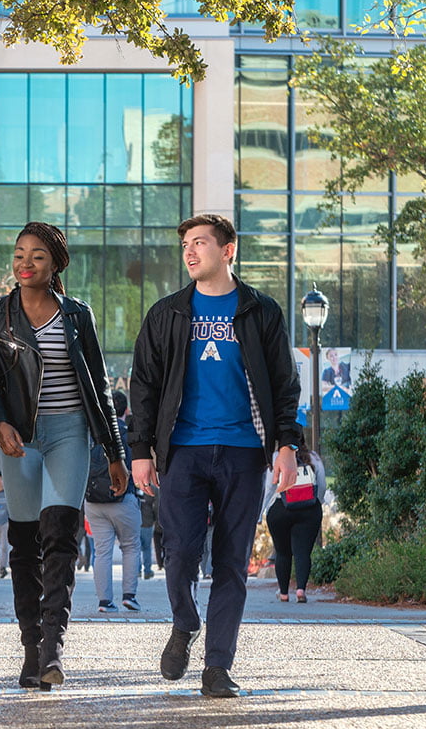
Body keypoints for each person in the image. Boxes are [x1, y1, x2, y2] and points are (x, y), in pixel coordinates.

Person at [129, 213, 302, 699]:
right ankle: (185, 622)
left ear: (228, 250)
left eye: (200, 242)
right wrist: (141, 451)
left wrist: (286, 445)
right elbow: (143, 386)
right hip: (182, 450)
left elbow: (285, 385)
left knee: (231, 562)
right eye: (185, 243)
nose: (189, 251)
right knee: (179, 552)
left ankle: (218, 668)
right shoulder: (167, 314)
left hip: (245, 452)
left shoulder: (259, 312)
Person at [0, 221, 128, 690]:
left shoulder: (78, 315)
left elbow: (99, 386)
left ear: (56, 263)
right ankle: (30, 645)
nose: (25, 263)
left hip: (69, 434)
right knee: (23, 544)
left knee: (59, 536)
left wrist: (115, 452)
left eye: (37, 255)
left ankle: (53, 649)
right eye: (20, 254)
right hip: (19, 438)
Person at [86, 389, 141, 612]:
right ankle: (129, 595)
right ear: (126, 410)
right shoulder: (128, 433)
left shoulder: (92, 433)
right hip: (123, 500)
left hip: (94, 502)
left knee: (102, 552)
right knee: (130, 547)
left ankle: (105, 601)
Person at [262, 447, 326, 603]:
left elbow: (270, 487)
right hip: (308, 510)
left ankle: (283, 593)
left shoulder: (277, 456)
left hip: (281, 508)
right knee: (303, 552)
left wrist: (260, 512)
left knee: (282, 553)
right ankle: (300, 590)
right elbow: (322, 485)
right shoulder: (313, 457)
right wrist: (315, 502)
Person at [138, 488, 158, 579]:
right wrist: (155, 519)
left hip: (134, 522)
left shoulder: (133, 487)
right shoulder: (152, 489)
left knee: (134, 549)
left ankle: (136, 570)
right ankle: (147, 571)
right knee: (147, 548)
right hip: (147, 522)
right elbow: (156, 506)